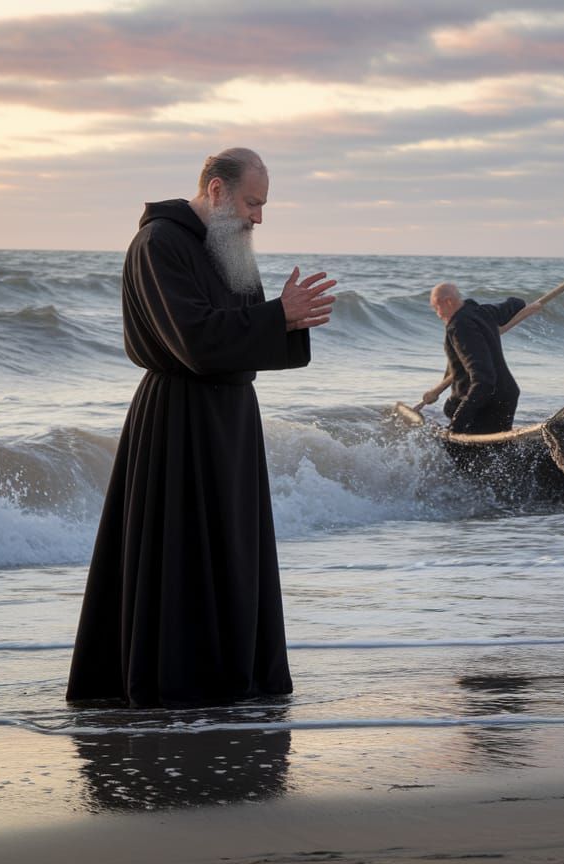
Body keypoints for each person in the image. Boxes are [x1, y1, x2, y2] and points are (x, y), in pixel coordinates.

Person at [66, 147, 335, 708]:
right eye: (252, 203)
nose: (258, 217)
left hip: (232, 418)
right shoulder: (158, 243)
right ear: (216, 190)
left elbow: (243, 329)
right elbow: (192, 339)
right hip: (178, 419)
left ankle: (235, 679)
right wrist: (277, 316)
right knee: (180, 551)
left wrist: (284, 321)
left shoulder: (226, 246)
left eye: (262, 206)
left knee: (233, 550)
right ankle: (178, 684)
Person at [426, 282, 538, 434]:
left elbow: (484, 380)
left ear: (448, 301)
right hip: (506, 394)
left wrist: (455, 427)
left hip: (487, 402)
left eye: (436, 308)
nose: (437, 314)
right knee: (450, 407)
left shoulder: (460, 327)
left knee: (453, 410)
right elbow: (516, 303)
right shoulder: (483, 312)